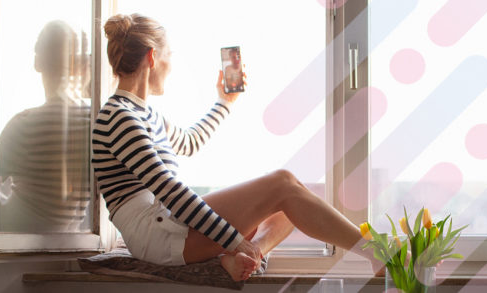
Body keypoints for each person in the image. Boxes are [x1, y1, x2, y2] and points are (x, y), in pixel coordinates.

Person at [94, 13, 382, 281]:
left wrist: (224, 102)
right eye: (170, 55)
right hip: (155, 233)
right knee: (283, 184)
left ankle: (243, 257)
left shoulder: (144, 114)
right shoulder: (119, 116)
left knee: (290, 205)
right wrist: (234, 239)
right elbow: (170, 191)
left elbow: (190, 142)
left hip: (165, 224)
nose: (172, 64)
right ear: (153, 57)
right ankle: (376, 252)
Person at [0, 20, 92, 233]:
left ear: (37, 62)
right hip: (72, 234)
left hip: (18, 231)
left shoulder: (24, 125)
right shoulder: (93, 122)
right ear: (82, 66)